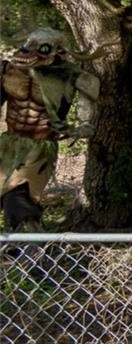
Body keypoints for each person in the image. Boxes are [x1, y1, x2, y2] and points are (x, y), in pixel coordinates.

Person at [0, 28, 96, 230]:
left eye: (42, 48)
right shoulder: (9, 70)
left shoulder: (70, 76)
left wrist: (82, 126)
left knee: (19, 195)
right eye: (29, 45)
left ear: (58, 52)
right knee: (9, 197)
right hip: (9, 143)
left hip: (40, 146)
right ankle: (20, 243)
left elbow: (88, 101)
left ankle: (32, 246)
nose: (31, 52)